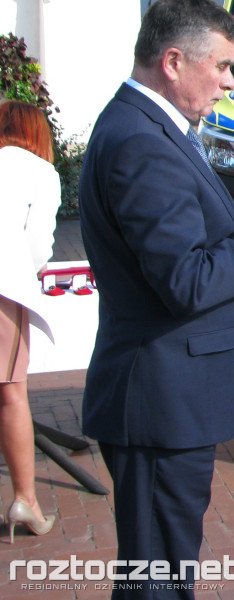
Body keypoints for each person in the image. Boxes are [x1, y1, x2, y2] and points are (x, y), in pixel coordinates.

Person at [79, 0, 234, 599]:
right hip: (159, 403)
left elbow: (182, 246)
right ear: (174, 61)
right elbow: (187, 280)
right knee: (157, 578)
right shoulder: (141, 142)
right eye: (222, 65)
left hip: (170, 399)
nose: (231, 82)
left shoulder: (152, 127)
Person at [0, 100, 60, 542]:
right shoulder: (41, 171)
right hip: (4, 286)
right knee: (11, 395)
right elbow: (39, 247)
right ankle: (26, 498)